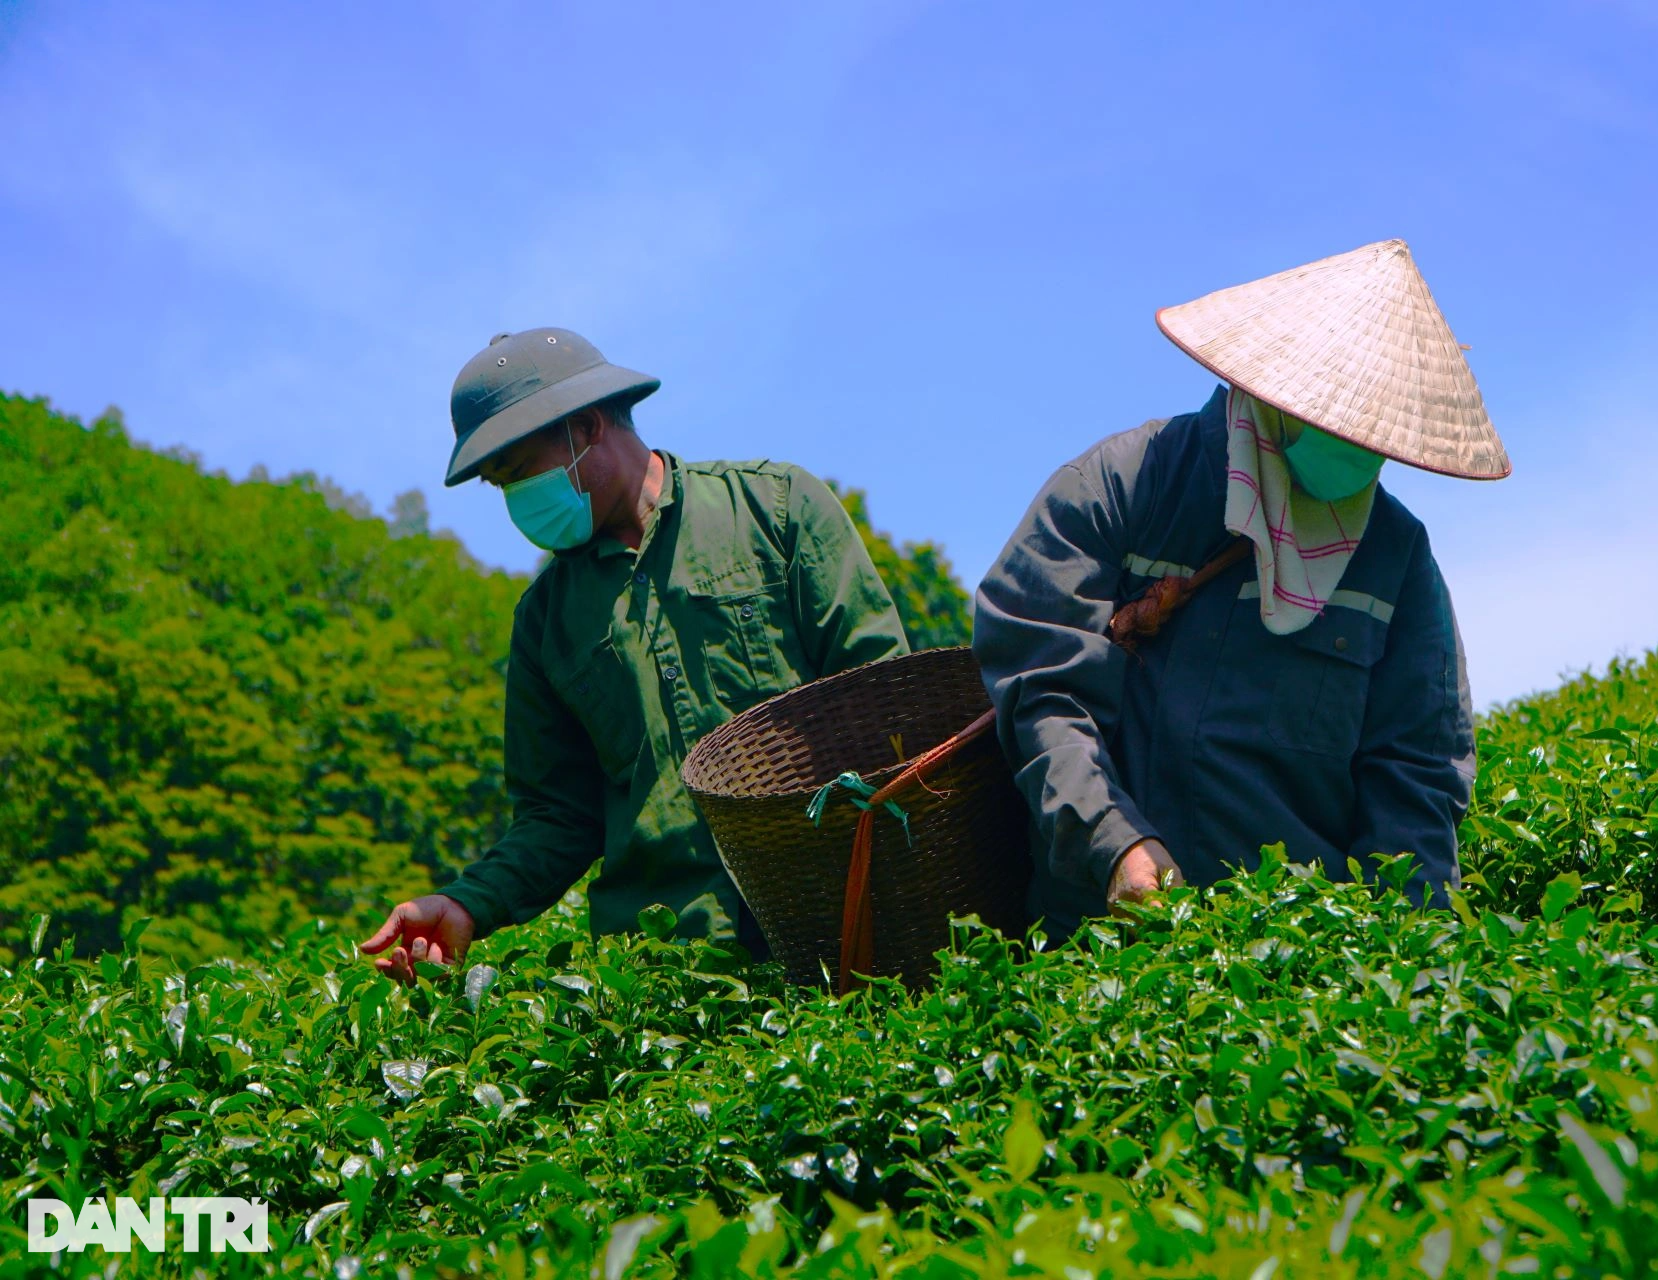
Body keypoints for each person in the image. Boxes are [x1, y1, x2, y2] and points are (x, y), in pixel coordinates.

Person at [973, 239, 1508, 939]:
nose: (1355, 441)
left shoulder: (1396, 558)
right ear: (1278, 386)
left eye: (1375, 429)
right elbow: (1040, 684)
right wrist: (1113, 842)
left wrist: (1400, 959)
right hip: (1098, 943)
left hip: (1294, 970)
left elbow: (1418, 772)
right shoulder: (1125, 486)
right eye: (1340, 414)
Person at [361, 328, 907, 982]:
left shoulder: (776, 509)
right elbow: (559, 816)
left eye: (520, 475)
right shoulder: (545, 624)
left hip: (839, 937)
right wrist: (466, 901)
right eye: (499, 487)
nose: (517, 503)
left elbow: (886, 703)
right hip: (667, 980)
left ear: (588, 427)